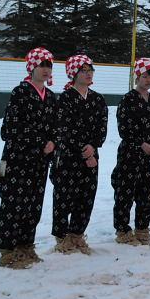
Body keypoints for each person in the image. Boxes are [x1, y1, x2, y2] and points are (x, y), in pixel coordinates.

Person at [0, 47, 57, 269]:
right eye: (42, 65)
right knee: (14, 203)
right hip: (18, 159)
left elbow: (55, 127)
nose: (46, 70)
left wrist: (53, 142)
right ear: (32, 67)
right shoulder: (20, 92)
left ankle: (26, 245)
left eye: (49, 65)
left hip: (40, 162)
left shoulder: (50, 97)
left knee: (33, 204)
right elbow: (11, 127)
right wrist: (40, 141)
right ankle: (8, 250)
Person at [50, 54, 108, 255]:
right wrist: (84, 151)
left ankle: (77, 234)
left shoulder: (98, 99)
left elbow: (101, 127)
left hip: (92, 157)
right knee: (65, 196)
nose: (88, 74)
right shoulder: (65, 99)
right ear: (74, 73)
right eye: (84, 71)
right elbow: (64, 129)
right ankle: (62, 236)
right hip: (69, 157)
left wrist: (93, 146)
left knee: (86, 196)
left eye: (90, 70)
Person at [112, 58, 150, 246]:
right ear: (137, 77)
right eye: (144, 76)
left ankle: (143, 228)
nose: (148, 80)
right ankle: (123, 230)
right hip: (131, 154)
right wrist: (140, 144)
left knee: (146, 193)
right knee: (125, 192)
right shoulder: (127, 100)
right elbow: (124, 128)